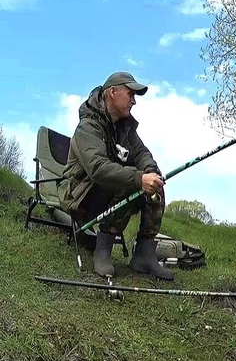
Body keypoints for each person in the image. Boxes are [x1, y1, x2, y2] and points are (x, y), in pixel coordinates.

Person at [58, 71, 173, 281]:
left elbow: (141, 153)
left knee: (155, 183)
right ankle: (102, 251)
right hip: (81, 196)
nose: (134, 102)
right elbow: (99, 169)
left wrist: (151, 172)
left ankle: (144, 255)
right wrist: (139, 179)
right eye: (130, 94)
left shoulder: (124, 127)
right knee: (131, 183)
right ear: (112, 92)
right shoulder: (87, 127)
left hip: (105, 191)